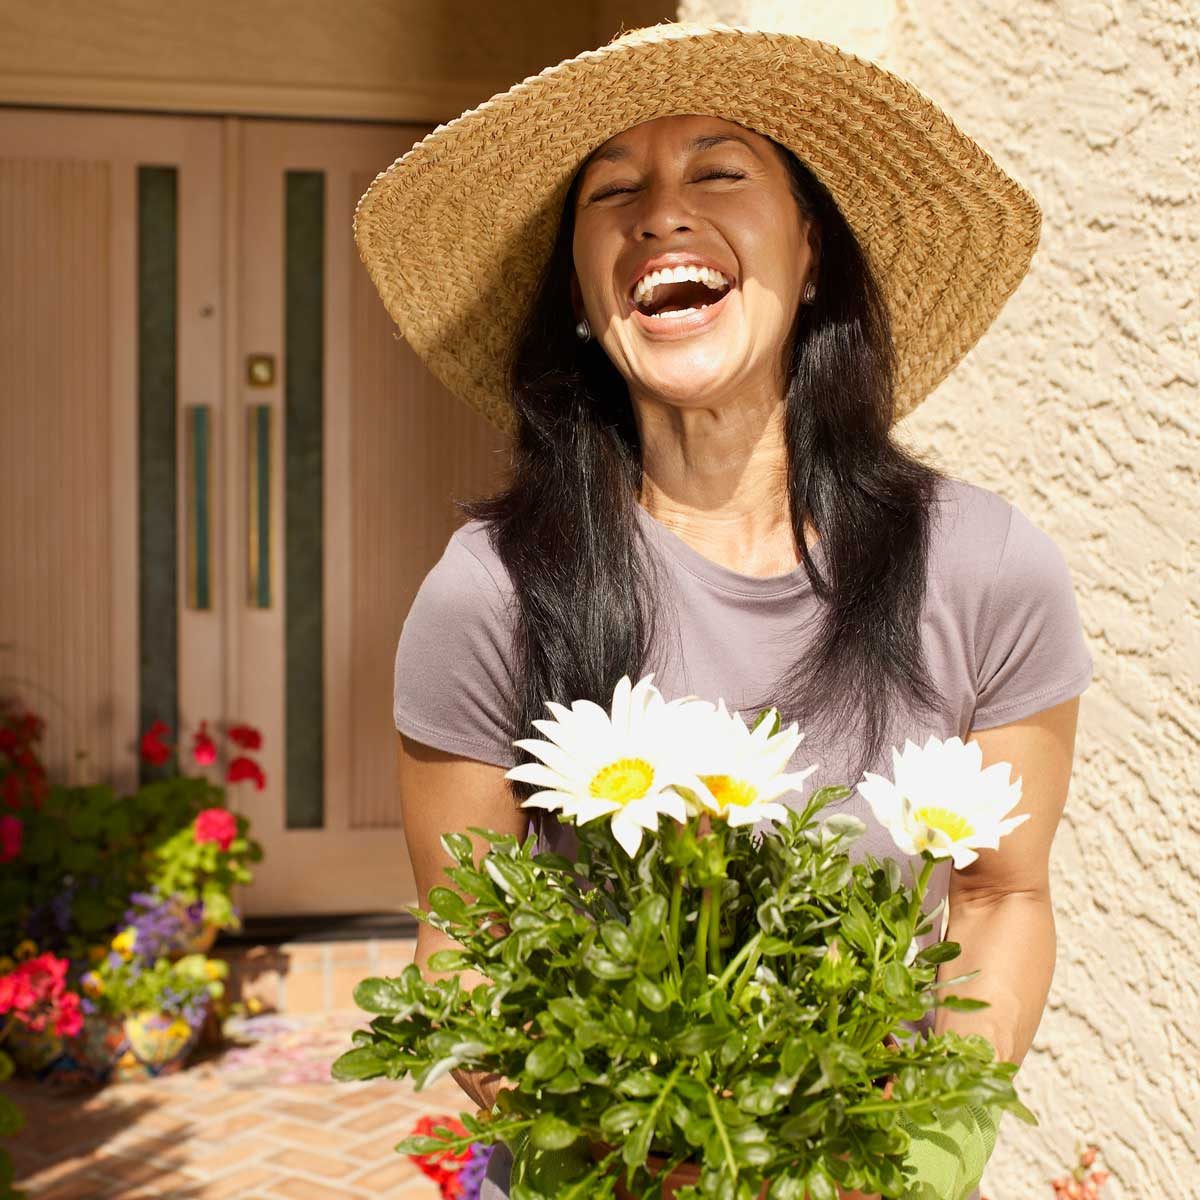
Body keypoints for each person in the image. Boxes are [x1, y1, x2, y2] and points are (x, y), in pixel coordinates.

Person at [355, 22, 1093, 1200]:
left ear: (812, 254)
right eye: (613, 191)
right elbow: (467, 948)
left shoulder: (988, 569)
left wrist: (899, 1160)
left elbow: (1002, 895)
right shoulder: (491, 593)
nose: (660, 215)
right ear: (585, 302)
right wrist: (635, 1153)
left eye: (717, 171)